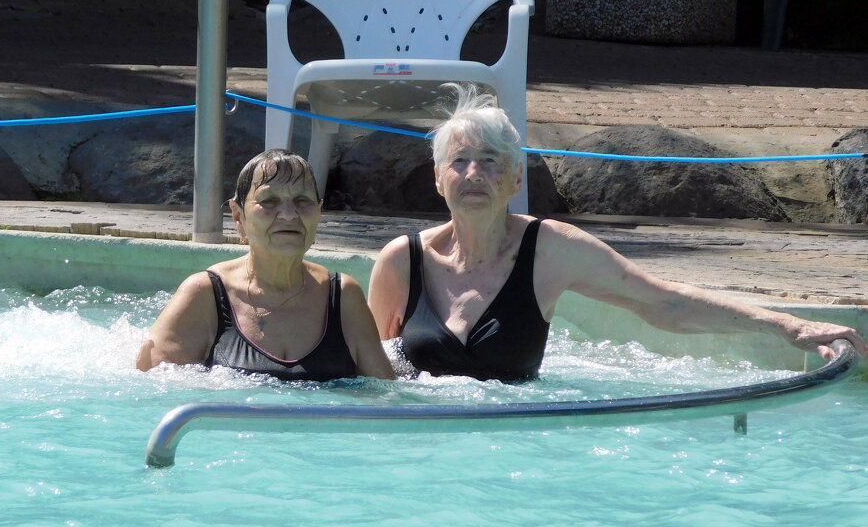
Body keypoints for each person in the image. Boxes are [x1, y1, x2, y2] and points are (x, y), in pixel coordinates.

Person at [367, 84, 866, 381]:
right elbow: (365, 368)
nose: (473, 173)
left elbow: (663, 301)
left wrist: (787, 326)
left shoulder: (551, 250)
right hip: (423, 448)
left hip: (514, 451)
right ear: (437, 178)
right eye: (459, 162)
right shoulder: (400, 261)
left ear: (517, 177)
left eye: (490, 161)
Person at [137, 149, 394, 381]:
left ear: (319, 213)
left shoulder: (343, 297)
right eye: (269, 201)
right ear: (239, 217)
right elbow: (153, 394)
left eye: (302, 200)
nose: (289, 215)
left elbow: (386, 400)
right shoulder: (204, 295)